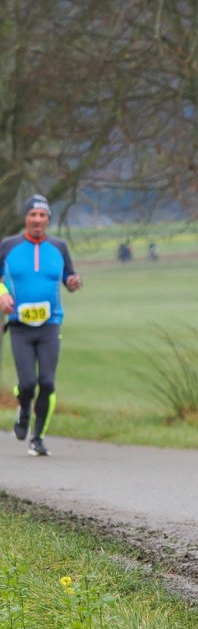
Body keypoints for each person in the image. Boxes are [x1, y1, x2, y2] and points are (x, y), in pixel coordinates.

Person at [1, 195, 82, 457]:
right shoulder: (8, 246)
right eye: (33, 215)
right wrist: (2, 294)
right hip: (20, 326)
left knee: (47, 382)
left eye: (42, 215)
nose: (37, 220)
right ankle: (24, 409)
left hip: (50, 324)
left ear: (48, 219)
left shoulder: (59, 247)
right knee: (27, 384)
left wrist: (73, 282)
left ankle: (38, 438)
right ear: (26, 218)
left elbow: (69, 276)